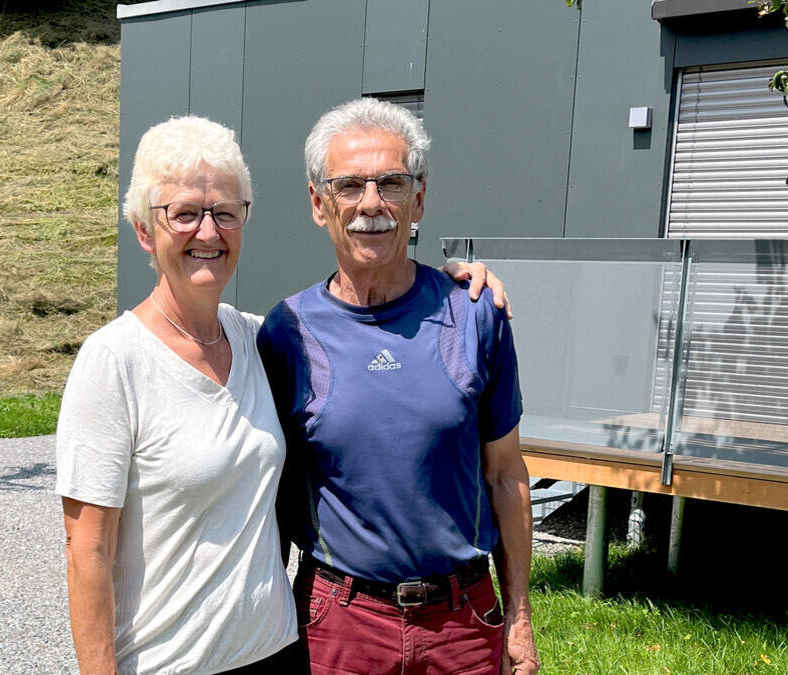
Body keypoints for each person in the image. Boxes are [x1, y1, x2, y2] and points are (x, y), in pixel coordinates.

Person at [55, 115, 503, 674]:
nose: (208, 232)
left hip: (275, 651)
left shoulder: (259, 337)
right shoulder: (114, 361)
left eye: (224, 212)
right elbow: (86, 552)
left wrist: (452, 285)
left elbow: (368, 338)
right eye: (184, 214)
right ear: (146, 230)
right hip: (168, 661)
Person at [257, 97, 540, 674]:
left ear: (419, 199)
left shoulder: (475, 314)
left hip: (463, 623)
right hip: (340, 621)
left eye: (390, 183)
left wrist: (519, 617)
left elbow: (506, 474)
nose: (371, 204)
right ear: (318, 203)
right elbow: (274, 492)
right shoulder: (286, 333)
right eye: (348, 186)